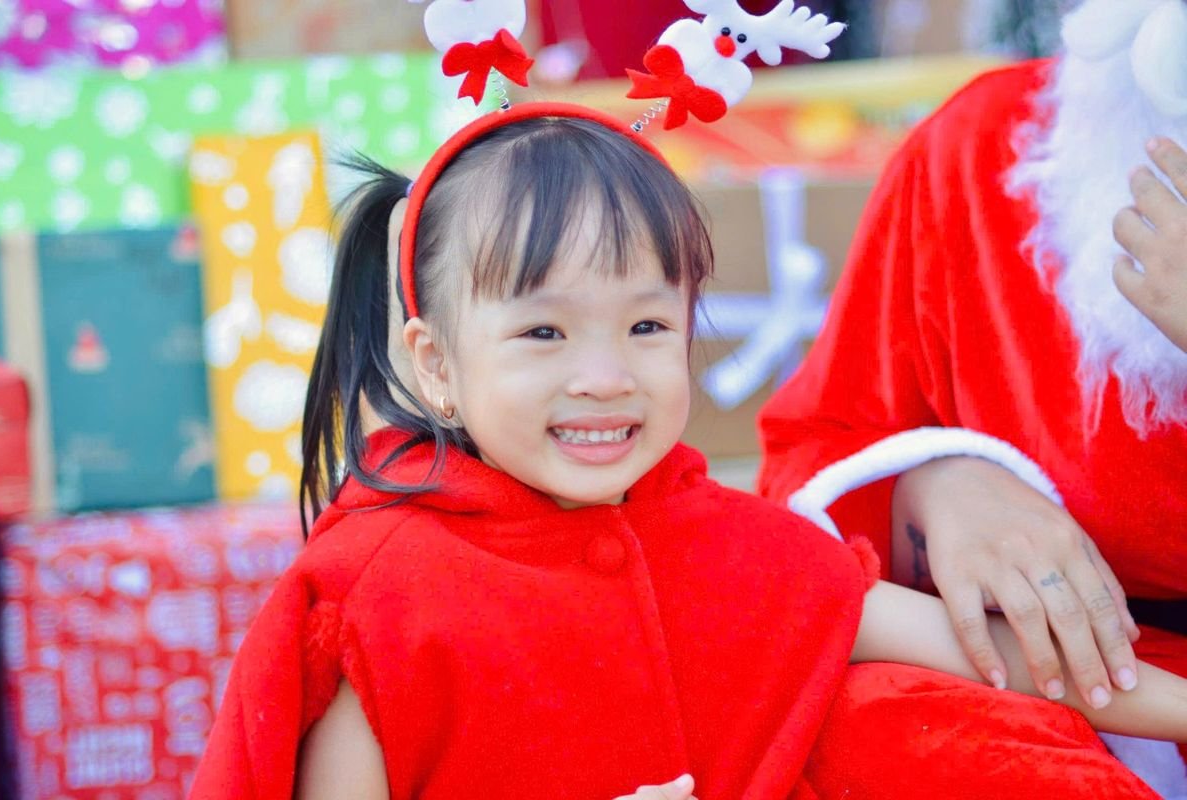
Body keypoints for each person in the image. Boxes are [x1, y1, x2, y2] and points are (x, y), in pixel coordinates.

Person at [187, 103, 1186, 800]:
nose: (604, 376)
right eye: (543, 332)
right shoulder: (376, 598)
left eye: (647, 327)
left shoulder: (746, 549)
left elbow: (997, 654)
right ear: (435, 363)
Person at [756, 0, 1187, 793]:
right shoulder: (983, 144)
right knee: (868, 723)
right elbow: (808, 451)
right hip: (1044, 704)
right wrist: (933, 481)